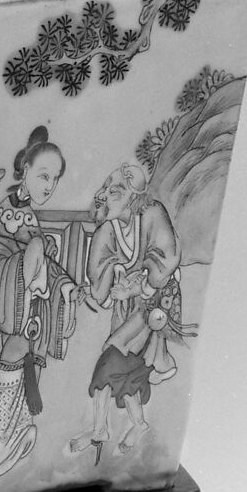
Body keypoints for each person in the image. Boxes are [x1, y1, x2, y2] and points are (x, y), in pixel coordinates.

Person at [0, 127, 77, 481]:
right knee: (15, 351)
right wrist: (33, 270)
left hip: (23, 303)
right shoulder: (12, 211)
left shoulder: (26, 213)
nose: (50, 185)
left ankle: (7, 439)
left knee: (15, 358)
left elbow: (40, 258)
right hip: (10, 297)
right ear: (26, 170)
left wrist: (61, 285)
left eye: (55, 178)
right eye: (44, 175)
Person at [70, 162, 181, 461]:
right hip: (123, 311)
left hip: (150, 307)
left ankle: (99, 430)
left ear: (133, 195)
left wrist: (135, 288)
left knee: (109, 361)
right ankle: (138, 424)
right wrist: (104, 285)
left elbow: (165, 261)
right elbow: (99, 277)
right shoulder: (108, 230)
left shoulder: (152, 214)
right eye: (105, 188)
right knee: (128, 372)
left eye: (114, 190)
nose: (104, 195)